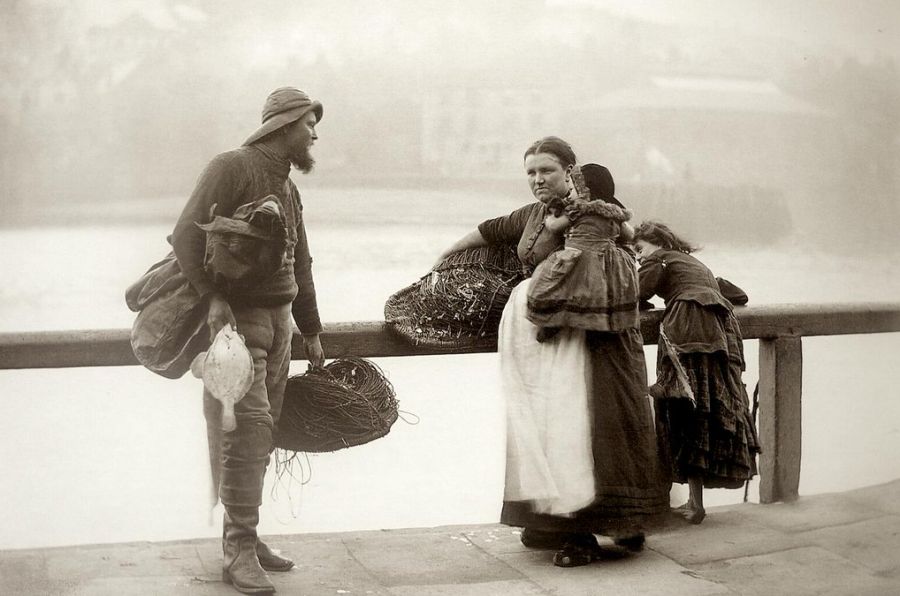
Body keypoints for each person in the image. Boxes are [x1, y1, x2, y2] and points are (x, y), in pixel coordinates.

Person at [436, 137, 669, 568]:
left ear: (570, 171)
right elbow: (491, 230)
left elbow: (622, 244)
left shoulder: (594, 209)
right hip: (546, 339)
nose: (538, 179)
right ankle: (557, 520)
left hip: (596, 336)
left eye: (547, 170)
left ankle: (597, 527)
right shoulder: (532, 215)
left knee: (591, 428)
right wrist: (444, 255)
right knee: (552, 427)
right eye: (530, 172)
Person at [172, 86, 326, 594]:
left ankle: (247, 536)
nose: (314, 134)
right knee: (249, 429)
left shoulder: (289, 185)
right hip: (238, 325)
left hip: (280, 324)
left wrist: (313, 328)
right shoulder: (231, 165)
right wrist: (212, 297)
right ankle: (237, 549)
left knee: (265, 432)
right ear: (283, 126)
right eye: (308, 125)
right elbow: (185, 236)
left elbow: (300, 262)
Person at [633, 221, 760, 524]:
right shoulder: (694, 262)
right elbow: (738, 294)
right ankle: (694, 501)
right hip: (721, 332)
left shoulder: (659, 259)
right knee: (705, 408)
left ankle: (694, 503)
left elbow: (636, 291)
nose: (639, 257)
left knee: (684, 407)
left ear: (657, 242)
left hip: (688, 330)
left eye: (640, 249)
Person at [525, 162, 638, 341]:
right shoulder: (615, 213)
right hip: (608, 263)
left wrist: (548, 218)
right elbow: (631, 235)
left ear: (585, 190)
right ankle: (608, 323)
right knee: (608, 294)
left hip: (578, 258)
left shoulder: (577, 209)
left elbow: (554, 227)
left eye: (574, 186)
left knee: (550, 285)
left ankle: (551, 321)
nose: (570, 189)